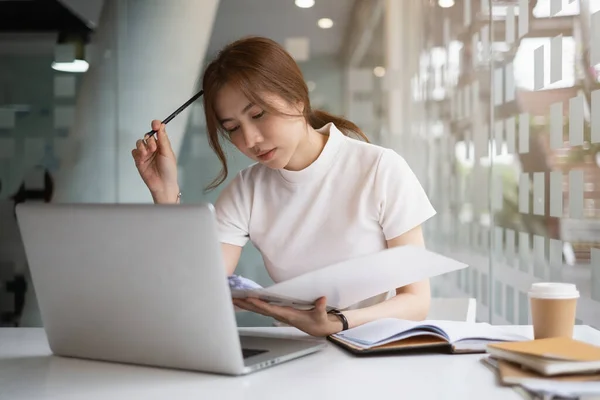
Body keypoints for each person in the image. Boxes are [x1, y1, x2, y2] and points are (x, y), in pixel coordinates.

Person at [131, 36, 436, 337]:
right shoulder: (247, 190)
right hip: (293, 355)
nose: (249, 140)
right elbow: (199, 287)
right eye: (233, 128)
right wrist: (165, 194)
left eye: (257, 114)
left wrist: (339, 322)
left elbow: (416, 301)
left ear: (297, 98)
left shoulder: (379, 168)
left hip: (373, 350)